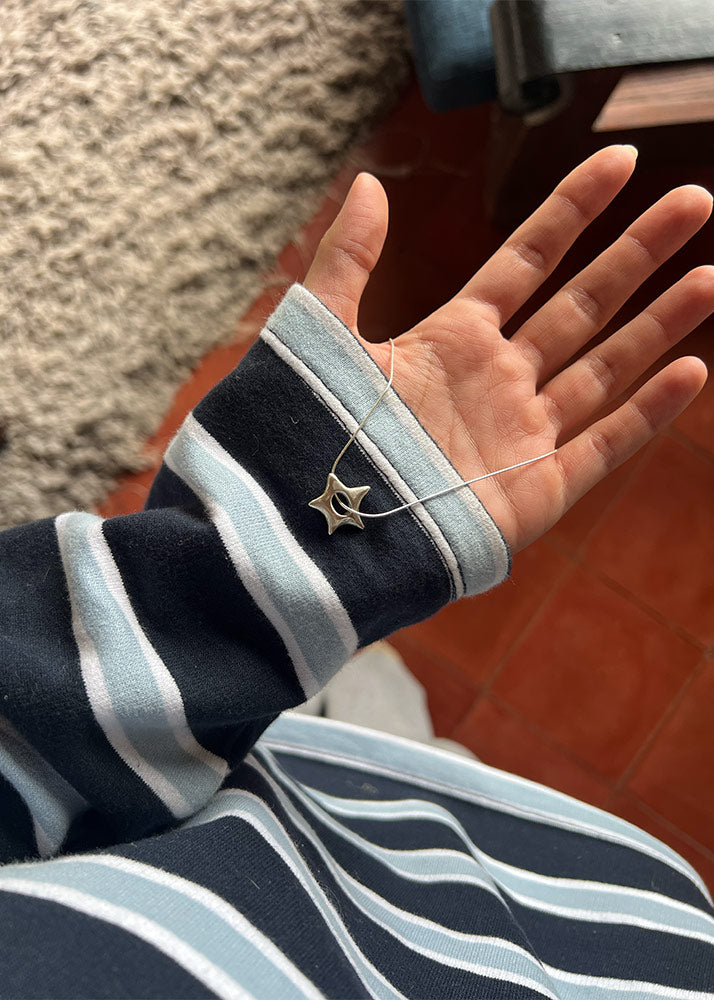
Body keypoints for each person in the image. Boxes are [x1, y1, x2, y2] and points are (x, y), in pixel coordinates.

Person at [1, 145, 713, 998]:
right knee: (401, 765)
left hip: (350, 848)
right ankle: (391, 729)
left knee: (389, 777)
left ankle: (384, 731)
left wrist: (245, 572)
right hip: (502, 914)